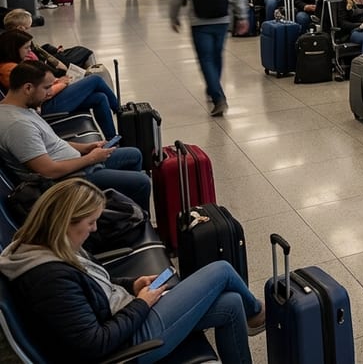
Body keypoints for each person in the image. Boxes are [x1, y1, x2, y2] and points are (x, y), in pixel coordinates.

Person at [0, 179, 264, 363]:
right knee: (222, 270)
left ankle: (251, 319)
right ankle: (259, 313)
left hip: (123, 314)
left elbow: (92, 283)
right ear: (64, 222)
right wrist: (141, 303)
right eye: (90, 222)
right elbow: (95, 344)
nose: (93, 229)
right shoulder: (49, 279)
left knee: (230, 304)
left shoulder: (46, 244)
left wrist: (131, 284)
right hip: (130, 345)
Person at [0, 62, 151, 210]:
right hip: (68, 180)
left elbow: (52, 142)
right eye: (46, 88)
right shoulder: (17, 126)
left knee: (134, 155)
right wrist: (91, 158)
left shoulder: (22, 109)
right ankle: (138, 222)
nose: (49, 93)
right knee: (142, 182)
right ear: (28, 88)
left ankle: (125, 207)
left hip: (77, 165)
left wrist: (86, 148)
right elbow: (47, 171)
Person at [167, 0, 248, 117]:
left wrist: (174, 18)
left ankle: (217, 96)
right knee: (217, 57)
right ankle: (214, 90)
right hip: (222, 19)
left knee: (206, 59)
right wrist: (242, 17)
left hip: (199, 21)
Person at [0, 33, 121, 141]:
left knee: (99, 98)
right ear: (14, 49)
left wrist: (57, 81)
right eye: (26, 48)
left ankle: (112, 140)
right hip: (43, 106)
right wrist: (63, 83)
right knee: (95, 79)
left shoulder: (13, 66)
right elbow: (45, 93)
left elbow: (39, 85)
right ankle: (120, 111)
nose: (29, 52)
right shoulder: (10, 70)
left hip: (43, 103)